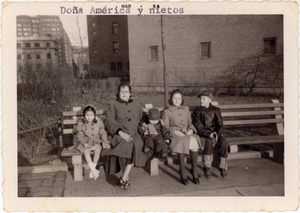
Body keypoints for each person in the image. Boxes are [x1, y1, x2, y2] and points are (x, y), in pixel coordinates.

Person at [102, 83, 148, 190]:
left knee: (138, 144)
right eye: (122, 91)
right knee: (129, 145)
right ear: (118, 93)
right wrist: (121, 133)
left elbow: (144, 117)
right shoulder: (113, 104)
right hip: (119, 134)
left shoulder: (137, 104)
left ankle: (123, 178)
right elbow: (109, 122)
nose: (124, 94)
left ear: (130, 93)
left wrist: (147, 124)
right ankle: (125, 178)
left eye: (126, 91)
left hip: (135, 133)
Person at [162, 89, 203, 185]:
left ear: (182, 99)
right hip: (175, 135)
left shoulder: (186, 110)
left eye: (179, 98)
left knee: (194, 141)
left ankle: (194, 171)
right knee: (181, 142)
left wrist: (191, 130)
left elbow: (190, 123)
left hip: (186, 133)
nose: (177, 100)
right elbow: (165, 127)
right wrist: (175, 132)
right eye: (175, 98)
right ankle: (182, 171)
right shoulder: (167, 112)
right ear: (171, 99)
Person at [192, 91, 228, 178]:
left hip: (216, 134)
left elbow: (220, 125)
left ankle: (222, 167)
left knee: (223, 142)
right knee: (208, 142)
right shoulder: (197, 111)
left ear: (209, 100)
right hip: (204, 135)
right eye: (200, 99)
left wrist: (217, 134)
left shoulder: (216, 110)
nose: (201, 100)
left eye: (204, 99)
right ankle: (207, 167)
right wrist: (209, 134)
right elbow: (199, 127)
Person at [76, 104, 111, 180]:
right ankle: (94, 170)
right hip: (86, 142)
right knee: (86, 151)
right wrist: (84, 143)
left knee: (98, 150)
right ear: (84, 115)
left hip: (96, 141)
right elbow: (80, 135)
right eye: (87, 115)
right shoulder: (81, 123)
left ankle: (92, 170)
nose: (89, 117)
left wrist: (106, 142)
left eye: (91, 115)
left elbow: (102, 132)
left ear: (94, 115)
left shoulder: (98, 122)